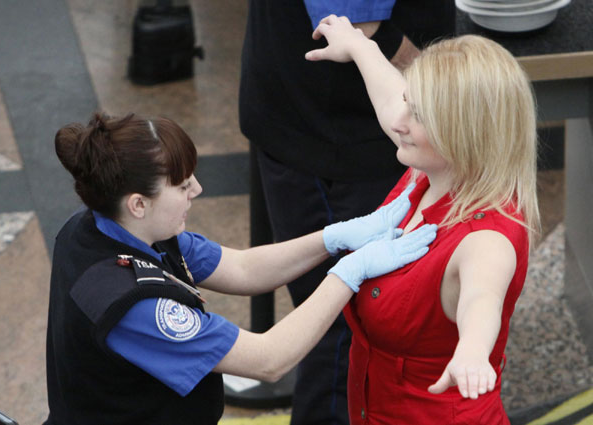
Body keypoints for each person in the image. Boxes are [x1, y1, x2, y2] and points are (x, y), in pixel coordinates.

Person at [43, 112, 436, 425]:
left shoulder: (103, 227)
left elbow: (244, 268)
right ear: (137, 204)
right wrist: (351, 272)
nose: (196, 189)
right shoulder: (136, 307)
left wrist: (333, 237)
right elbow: (269, 359)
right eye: (180, 186)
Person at [305, 16, 540, 424]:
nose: (399, 123)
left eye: (418, 116)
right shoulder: (432, 168)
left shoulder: (486, 238)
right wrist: (359, 46)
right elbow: (390, 99)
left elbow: (481, 298)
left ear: (464, 133)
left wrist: (471, 349)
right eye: (409, 104)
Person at [239, 1, 455, 423]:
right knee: (341, 332)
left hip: (345, 126)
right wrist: (447, 95)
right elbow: (360, 23)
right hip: (337, 136)